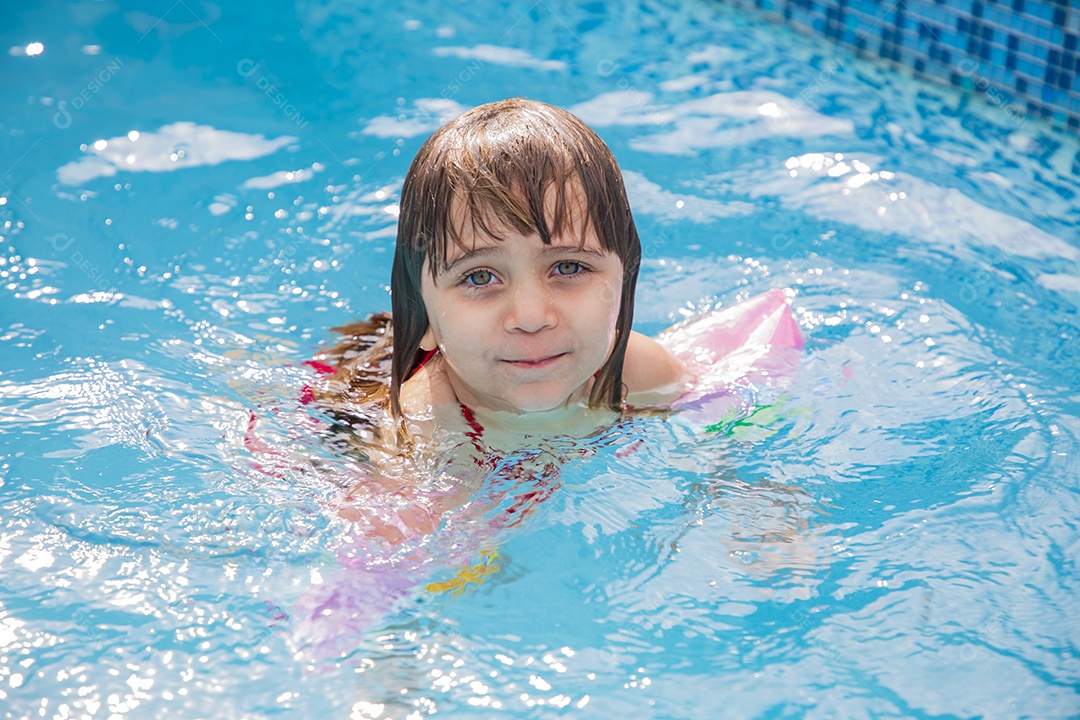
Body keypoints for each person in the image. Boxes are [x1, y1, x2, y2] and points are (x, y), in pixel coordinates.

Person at [312, 98, 690, 460]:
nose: (531, 318)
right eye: (479, 277)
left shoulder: (645, 374)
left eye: (569, 268)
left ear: (625, 280)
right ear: (420, 312)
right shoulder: (420, 430)